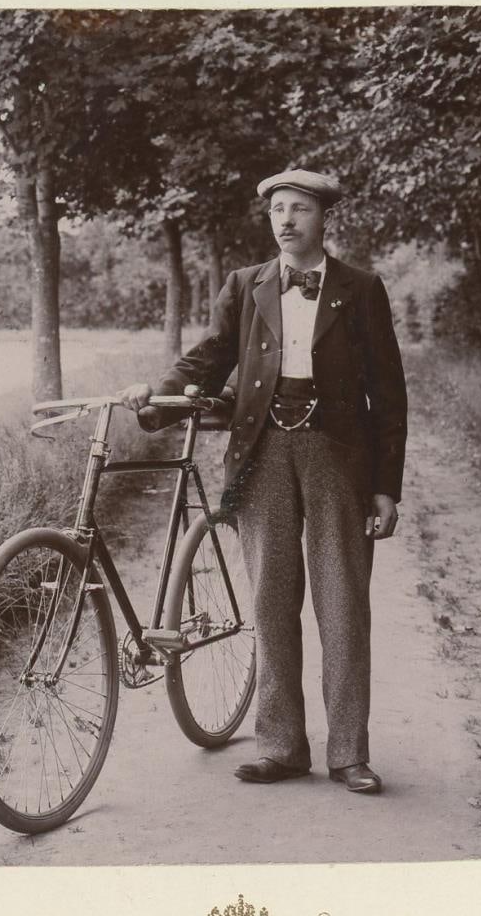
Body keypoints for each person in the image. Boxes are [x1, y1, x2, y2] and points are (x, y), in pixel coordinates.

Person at [117, 169, 407, 793]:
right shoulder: (246, 285)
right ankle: (280, 746)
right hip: (262, 451)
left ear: (324, 217)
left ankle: (349, 753)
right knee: (272, 604)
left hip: (339, 455)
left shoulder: (361, 289)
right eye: (278, 209)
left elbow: (388, 393)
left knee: (342, 606)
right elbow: (211, 356)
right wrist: (158, 392)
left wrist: (386, 486)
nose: (286, 219)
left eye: (300, 208)